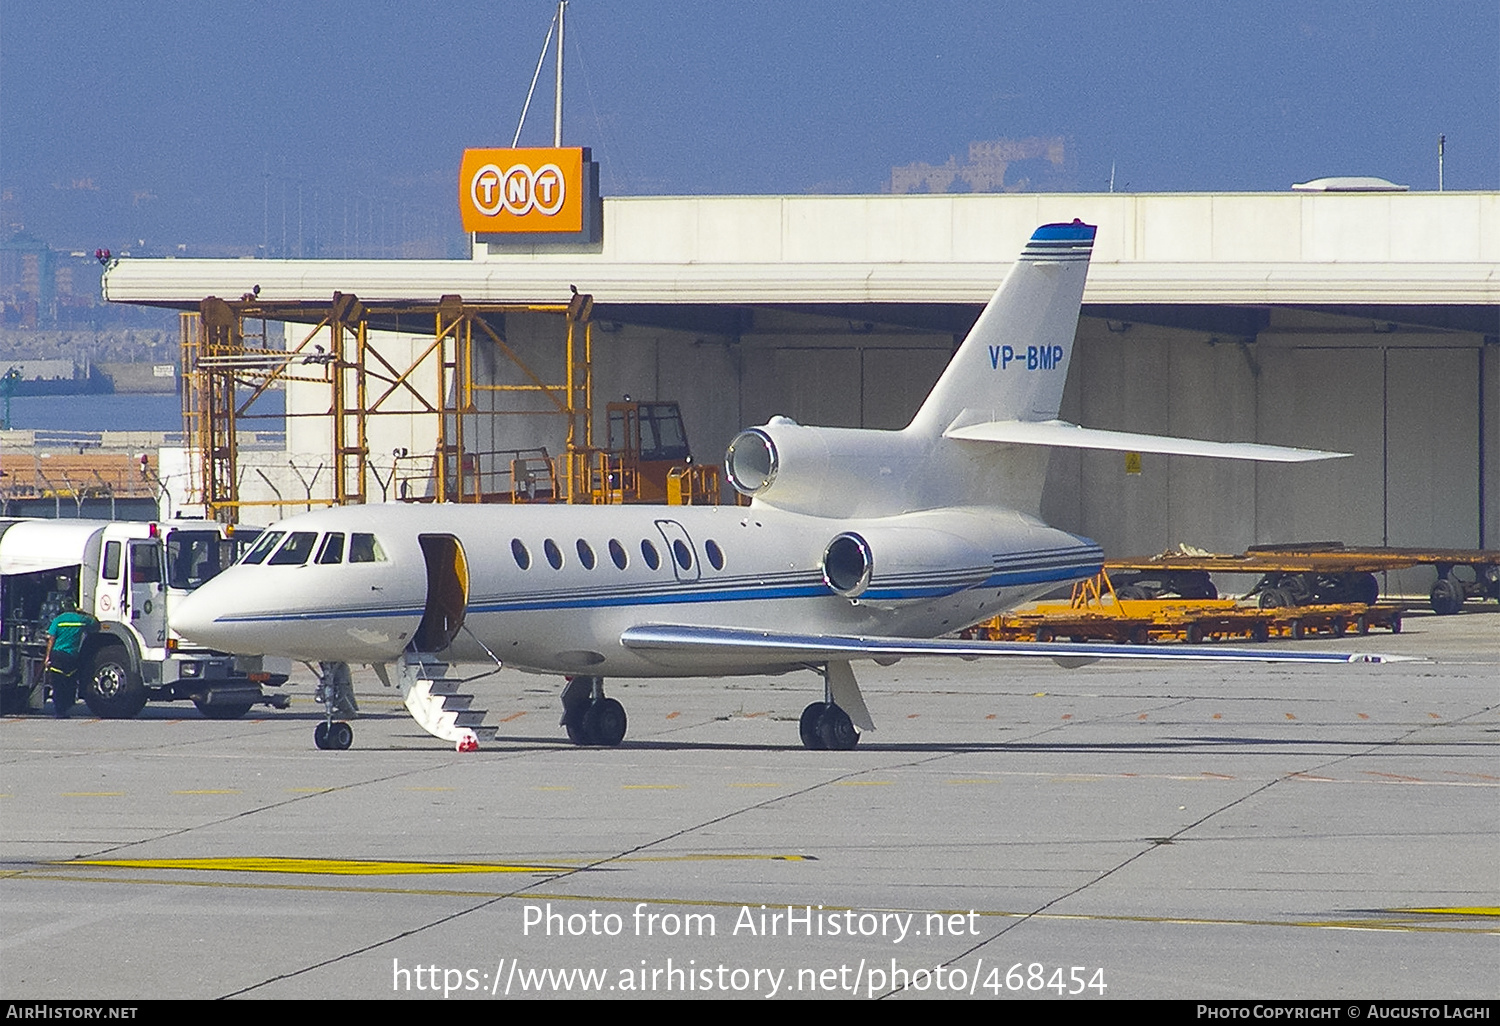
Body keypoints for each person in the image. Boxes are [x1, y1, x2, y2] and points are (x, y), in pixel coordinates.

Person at [44, 599, 99, 719]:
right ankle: (67, 707)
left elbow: (51, 639)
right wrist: (83, 613)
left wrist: (47, 657)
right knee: (70, 683)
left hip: (57, 655)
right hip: (72, 657)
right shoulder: (80, 619)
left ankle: (59, 711)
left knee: (58, 685)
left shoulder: (58, 620)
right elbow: (95, 624)